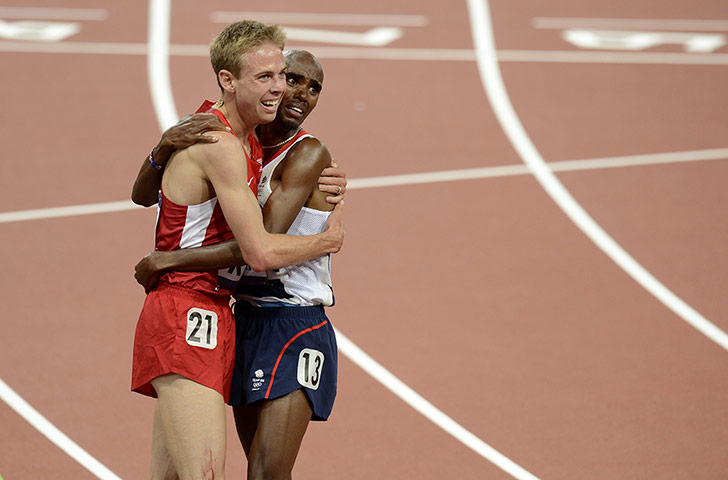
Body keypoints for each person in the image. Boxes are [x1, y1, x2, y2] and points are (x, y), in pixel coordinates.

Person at [130, 22, 344, 480]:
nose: (292, 91)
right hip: (203, 310)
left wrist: (167, 259)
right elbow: (260, 250)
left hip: (274, 317)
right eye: (280, 78)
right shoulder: (227, 138)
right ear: (231, 80)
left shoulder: (277, 146)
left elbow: (257, 246)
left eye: (305, 84)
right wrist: (163, 146)